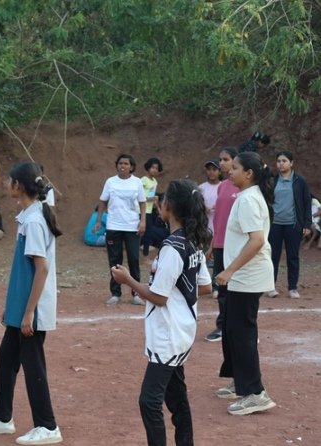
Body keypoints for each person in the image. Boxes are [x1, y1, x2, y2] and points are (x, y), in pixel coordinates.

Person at [111, 179, 212, 446]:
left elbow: (159, 297)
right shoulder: (192, 240)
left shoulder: (172, 247)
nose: (160, 203)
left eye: (163, 199)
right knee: (177, 399)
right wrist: (176, 288)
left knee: (149, 401)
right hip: (182, 328)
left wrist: (128, 280)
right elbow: (205, 286)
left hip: (168, 333)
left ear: (169, 207)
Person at [0, 161, 63, 445]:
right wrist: (14, 308)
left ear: (18, 186)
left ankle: (48, 426)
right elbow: (25, 272)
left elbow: (41, 269)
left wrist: (29, 312)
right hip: (22, 306)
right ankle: (2, 419)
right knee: (7, 359)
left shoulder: (34, 221)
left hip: (32, 309)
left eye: (10, 181)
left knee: (33, 366)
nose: (7, 184)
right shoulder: (29, 215)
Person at [215, 151, 277, 416]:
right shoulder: (246, 196)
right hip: (242, 276)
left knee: (242, 333)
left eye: (235, 168)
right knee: (232, 329)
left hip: (247, 276)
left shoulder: (249, 199)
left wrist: (230, 270)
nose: (230, 171)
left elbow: (257, 240)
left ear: (249, 173)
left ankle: (255, 393)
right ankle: (241, 381)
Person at [93, 154, 146, 305]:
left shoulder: (137, 182)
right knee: (115, 260)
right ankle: (115, 293)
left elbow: (142, 202)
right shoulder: (110, 182)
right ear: (117, 165)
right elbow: (102, 201)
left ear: (131, 167)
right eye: (120, 163)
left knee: (133, 259)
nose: (123, 166)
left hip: (132, 226)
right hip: (113, 226)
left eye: (126, 164)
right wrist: (98, 221)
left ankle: (136, 293)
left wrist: (143, 221)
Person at [204, 147, 239, 343]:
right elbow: (218, 220)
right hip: (219, 245)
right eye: (221, 159)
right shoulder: (223, 186)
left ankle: (240, 328)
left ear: (236, 161)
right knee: (222, 289)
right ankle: (222, 326)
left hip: (237, 246)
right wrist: (212, 245)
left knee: (238, 289)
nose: (222, 163)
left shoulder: (244, 187)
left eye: (226, 159)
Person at [266, 150, 312, 299]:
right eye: (279, 161)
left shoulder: (300, 181)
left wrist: (307, 224)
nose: (281, 164)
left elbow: (307, 202)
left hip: (293, 224)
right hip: (275, 224)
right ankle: (270, 287)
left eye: (284, 161)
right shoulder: (273, 181)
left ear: (291, 163)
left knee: (293, 256)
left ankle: (292, 288)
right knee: (273, 256)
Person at [141, 158, 163, 256]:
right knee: (140, 231)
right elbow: (138, 196)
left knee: (148, 232)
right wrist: (151, 198)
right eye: (153, 167)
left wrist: (158, 209)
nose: (154, 170)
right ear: (148, 168)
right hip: (141, 210)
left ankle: (145, 255)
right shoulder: (143, 180)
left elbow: (153, 198)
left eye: (157, 168)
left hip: (149, 210)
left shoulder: (154, 182)